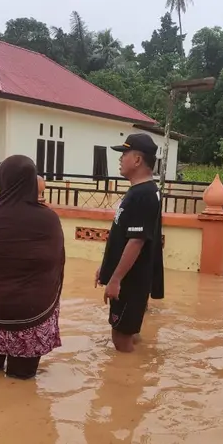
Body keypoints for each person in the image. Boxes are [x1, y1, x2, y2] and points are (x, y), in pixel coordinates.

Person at [0, 155, 65, 380]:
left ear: (1, 180)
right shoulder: (48, 219)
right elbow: (56, 259)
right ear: (32, 181)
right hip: (31, 315)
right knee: (22, 380)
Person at [95, 133, 165, 353]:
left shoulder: (143, 194)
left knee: (120, 337)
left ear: (137, 160)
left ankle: (127, 380)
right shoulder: (141, 191)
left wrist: (115, 279)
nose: (120, 159)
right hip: (131, 277)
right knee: (129, 331)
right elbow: (123, 237)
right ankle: (141, 365)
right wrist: (105, 267)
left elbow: (136, 241)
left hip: (130, 281)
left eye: (124, 154)